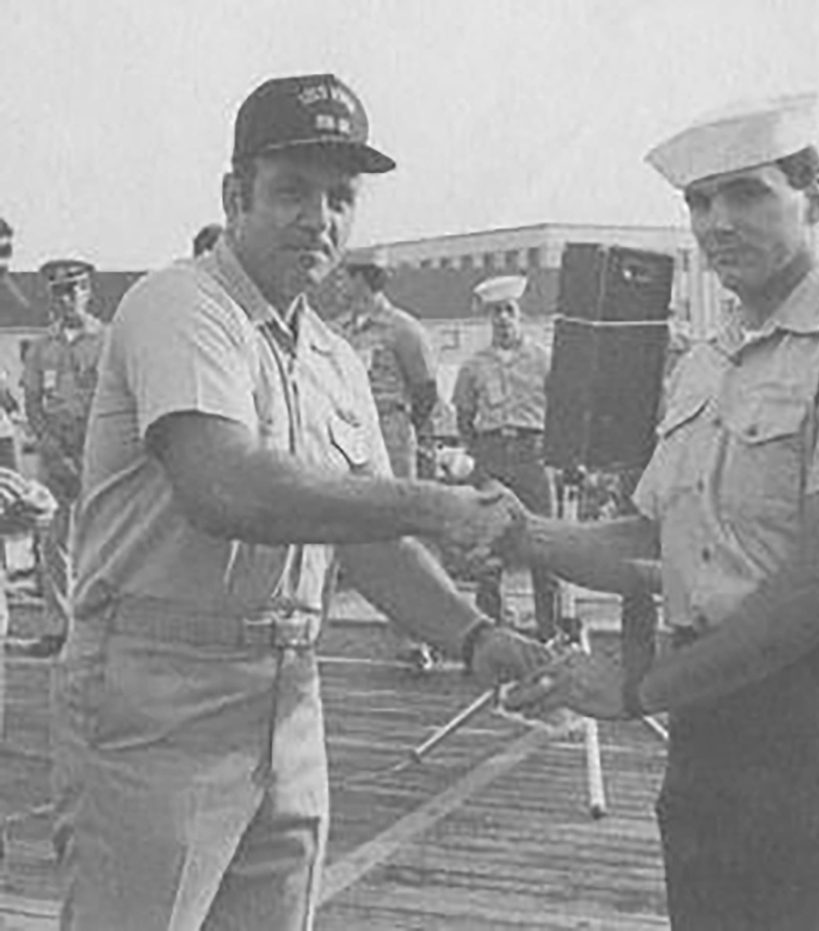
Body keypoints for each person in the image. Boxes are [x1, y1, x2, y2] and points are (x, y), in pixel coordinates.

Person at [53, 72, 549, 931]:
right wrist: (435, 503)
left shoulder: (333, 357)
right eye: (291, 191)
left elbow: (362, 537)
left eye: (339, 197)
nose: (317, 217)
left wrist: (475, 636)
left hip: (289, 693)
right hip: (156, 689)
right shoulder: (180, 305)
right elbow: (226, 485)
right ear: (233, 196)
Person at [504, 94, 819, 930]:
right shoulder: (710, 363)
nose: (716, 223)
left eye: (745, 194)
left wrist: (641, 690)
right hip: (711, 727)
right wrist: (517, 533)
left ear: (814, 199)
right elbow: (655, 537)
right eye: (698, 203)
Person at [320, 257, 441, 667]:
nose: (337, 283)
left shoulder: (403, 329)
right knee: (329, 523)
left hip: (388, 429)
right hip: (339, 429)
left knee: (399, 530)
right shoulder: (334, 330)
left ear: (364, 280)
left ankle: (415, 636)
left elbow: (425, 391)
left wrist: (404, 431)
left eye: (344, 276)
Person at [452, 275, 559, 641]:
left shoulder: (544, 359)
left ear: (521, 315)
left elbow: (561, 408)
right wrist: (480, 455)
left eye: (509, 311)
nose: (502, 319)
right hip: (493, 455)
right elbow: (464, 415)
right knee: (489, 547)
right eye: (495, 313)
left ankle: (550, 631)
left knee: (545, 545)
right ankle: (490, 633)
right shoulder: (474, 366)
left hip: (533, 456)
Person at [20, 258, 105, 657]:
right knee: (52, 542)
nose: (67, 299)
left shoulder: (106, 341)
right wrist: (53, 452)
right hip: (54, 452)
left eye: (75, 290)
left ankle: (97, 628)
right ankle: (59, 627)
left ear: (88, 292)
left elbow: (112, 401)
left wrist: (86, 453)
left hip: (95, 450)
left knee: (100, 541)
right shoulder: (41, 347)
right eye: (59, 292)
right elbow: (33, 402)